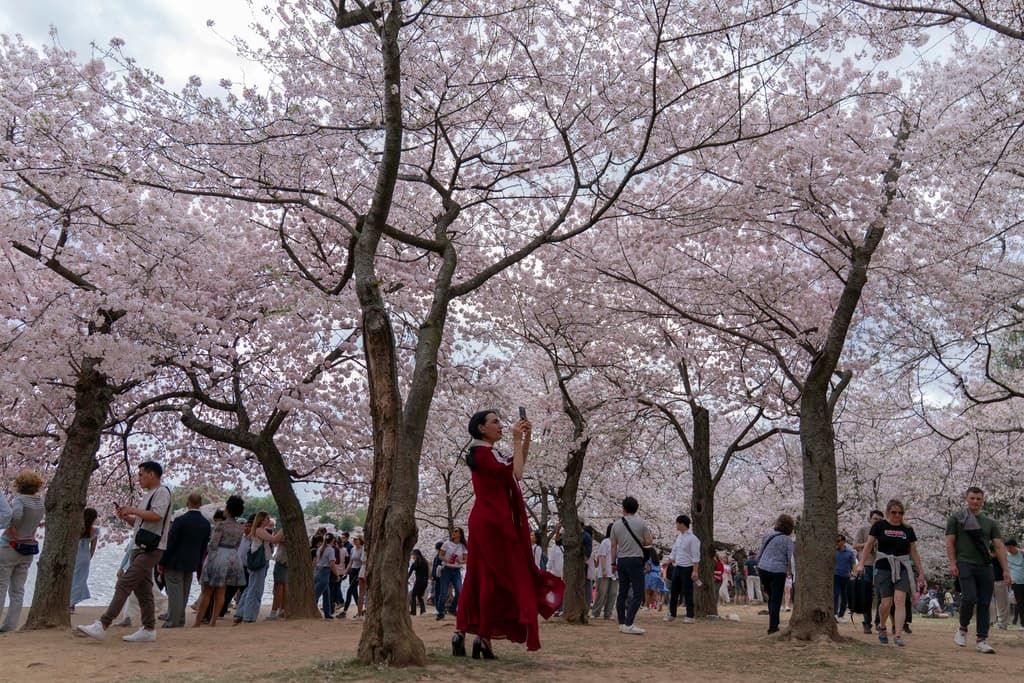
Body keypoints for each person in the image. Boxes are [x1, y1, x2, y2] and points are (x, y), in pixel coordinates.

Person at [453, 410, 564, 658]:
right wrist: (516, 439)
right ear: (481, 428)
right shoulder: (484, 454)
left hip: (486, 520)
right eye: (495, 422)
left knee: (477, 576)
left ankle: (462, 632)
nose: (500, 426)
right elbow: (518, 473)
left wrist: (526, 438)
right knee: (499, 578)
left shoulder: (487, 454)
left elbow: (516, 464)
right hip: (494, 523)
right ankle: (482, 635)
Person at [78, 461, 171, 642]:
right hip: (140, 547)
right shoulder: (149, 495)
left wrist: (133, 510)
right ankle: (149, 628)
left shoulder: (162, 492)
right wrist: (128, 517)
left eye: (141, 475)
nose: (139, 479)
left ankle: (103, 624)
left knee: (124, 582)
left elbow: (157, 516)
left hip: (152, 549)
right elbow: (142, 524)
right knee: (143, 591)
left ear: (152, 474)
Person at [946, 486, 1011, 654]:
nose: (975, 501)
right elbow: (950, 542)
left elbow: (998, 546)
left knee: (984, 602)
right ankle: (962, 629)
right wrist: (952, 563)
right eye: (972, 498)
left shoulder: (990, 523)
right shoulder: (957, 518)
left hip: (985, 566)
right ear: (966, 499)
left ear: (983, 500)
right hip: (964, 563)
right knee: (969, 597)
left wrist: (1005, 569)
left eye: (978, 498)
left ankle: (982, 639)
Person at [854, 499, 926, 647]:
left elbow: (914, 552)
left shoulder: (907, 529)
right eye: (893, 512)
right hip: (883, 566)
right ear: (887, 512)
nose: (897, 515)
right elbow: (868, 545)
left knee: (900, 600)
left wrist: (921, 573)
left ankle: (898, 634)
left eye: (900, 513)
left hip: (903, 566)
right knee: (886, 602)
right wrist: (861, 563)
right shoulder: (879, 526)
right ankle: (882, 626)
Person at [0, 470, 45, 632]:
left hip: (10, 546)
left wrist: (12, 525)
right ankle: (10, 625)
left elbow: (17, 514)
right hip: (27, 548)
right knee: (18, 590)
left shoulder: (20, 500)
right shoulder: (40, 503)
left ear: (19, 485)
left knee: (1, 586)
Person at [192, 495, 246, 627]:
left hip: (218, 556)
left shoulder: (221, 525)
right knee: (221, 591)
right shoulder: (241, 527)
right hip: (232, 556)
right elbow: (238, 544)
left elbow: (213, 544)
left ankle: (198, 622)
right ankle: (213, 621)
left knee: (207, 591)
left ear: (228, 509)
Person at [158, 493, 210, 628]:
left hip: (175, 561)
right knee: (184, 592)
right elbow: (204, 546)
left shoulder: (180, 520)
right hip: (192, 562)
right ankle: (180, 619)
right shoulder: (205, 523)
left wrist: (162, 561)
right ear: (201, 504)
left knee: (175, 592)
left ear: (188, 503)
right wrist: (198, 562)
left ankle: (173, 620)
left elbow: (171, 543)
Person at [610, 496, 654, 635]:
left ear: (623, 508)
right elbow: (648, 541)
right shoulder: (641, 523)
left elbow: (613, 546)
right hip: (635, 560)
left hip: (621, 560)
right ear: (636, 508)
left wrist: (612, 563)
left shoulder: (616, 525)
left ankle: (622, 623)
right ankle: (629, 623)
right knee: (638, 592)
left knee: (622, 592)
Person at [757, 513, 795, 635]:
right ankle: (773, 627)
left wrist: (759, 564)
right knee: (776, 599)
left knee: (771, 596)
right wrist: (792, 572)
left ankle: (774, 622)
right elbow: (790, 558)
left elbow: (761, 551)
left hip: (763, 568)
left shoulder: (768, 535)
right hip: (778, 570)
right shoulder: (788, 541)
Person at [853, 509, 884, 634]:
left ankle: (878, 622)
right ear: (870, 519)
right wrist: (868, 544)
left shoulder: (884, 532)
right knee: (866, 594)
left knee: (881, 594)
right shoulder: (863, 530)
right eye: (875, 519)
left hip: (880, 565)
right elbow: (855, 546)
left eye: (880, 520)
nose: (877, 521)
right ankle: (867, 623)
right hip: (866, 565)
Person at [665, 514, 700, 623]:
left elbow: (696, 555)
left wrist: (695, 571)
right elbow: (674, 552)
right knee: (674, 591)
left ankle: (690, 615)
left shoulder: (693, 539)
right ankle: (672, 613)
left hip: (688, 567)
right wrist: (668, 562)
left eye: (677, 523)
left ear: (681, 524)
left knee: (687, 591)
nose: (676, 525)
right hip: (678, 567)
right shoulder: (679, 537)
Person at [70, 507, 100, 612]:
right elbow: (92, 548)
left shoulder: (77, 529)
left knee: (72, 579)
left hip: (74, 555)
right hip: (85, 556)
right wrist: (89, 557)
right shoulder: (94, 531)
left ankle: (69, 603)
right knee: (80, 580)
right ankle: (72, 604)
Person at [436, 527, 467, 621]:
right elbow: (440, 556)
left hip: (456, 571)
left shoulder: (463, 546)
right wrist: (447, 559)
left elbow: (466, 560)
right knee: (443, 592)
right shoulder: (447, 544)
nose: (453, 532)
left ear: (460, 534)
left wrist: (460, 561)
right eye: (453, 531)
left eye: (456, 531)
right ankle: (440, 613)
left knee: (459, 592)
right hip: (446, 570)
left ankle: (452, 609)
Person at [591, 523, 618, 620]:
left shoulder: (619, 543)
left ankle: (608, 613)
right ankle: (595, 612)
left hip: (615, 573)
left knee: (613, 593)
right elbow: (601, 556)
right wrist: (603, 569)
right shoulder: (605, 542)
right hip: (605, 571)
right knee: (602, 592)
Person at [313, 532, 343, 619]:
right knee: (315, 595)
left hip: (317, 571)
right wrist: (337, 575)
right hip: (324, 573)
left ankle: (327, 614)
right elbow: (332, 563)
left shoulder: (320, 548)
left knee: (326, 594)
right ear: (333, 540)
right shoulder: (330, 550)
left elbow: (316, 561)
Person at [834, 534, 856, 623]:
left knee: (844, 596)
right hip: (835, 575)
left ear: (843, 542)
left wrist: (854, 573)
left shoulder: (850, 552)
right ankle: (834, 613)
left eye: (839, 541)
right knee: (835, 594)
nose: (837, 543)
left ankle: (841, 615)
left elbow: (853, 564)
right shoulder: (834, 551)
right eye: (836, 541)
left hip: (845, 576)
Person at [343, 534, 365, 619]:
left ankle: (344, 611)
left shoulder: (363, 549)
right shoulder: (352, 549)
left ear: (360, 540)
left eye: (356, 539)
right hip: (352, 570)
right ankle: (360, 610)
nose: (354, 541)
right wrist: (346, 570)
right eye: (354, 539)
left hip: (359, 571)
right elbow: (351, 561)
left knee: (349, 590)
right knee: (354, 592)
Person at [267, 533, 289, 620]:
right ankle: (282, 609)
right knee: (285, 585)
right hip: (288, 561)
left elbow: (274, 539)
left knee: (278, 585)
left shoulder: (284, 530)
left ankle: (274, 611)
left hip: (282, 559)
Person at [1006, 539, 1024, 627]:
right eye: (1007, 547)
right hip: (1015, 583)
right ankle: (1023, 622)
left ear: (1014, 546)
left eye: (1010, 547)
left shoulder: (1022, 554)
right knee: (1020, 603)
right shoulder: (1007, 556)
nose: (1008, 549)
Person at [408, 549, 429, 615]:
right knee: (420, 596)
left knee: (413, 595)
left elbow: (409, 573)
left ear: (415, 555)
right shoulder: (425, 562)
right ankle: (423, 611)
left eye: (413, 555)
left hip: (419, 581)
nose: (412, 557)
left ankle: (413, 611)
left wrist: (406, 579)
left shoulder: (416, 563)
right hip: (425, 581)